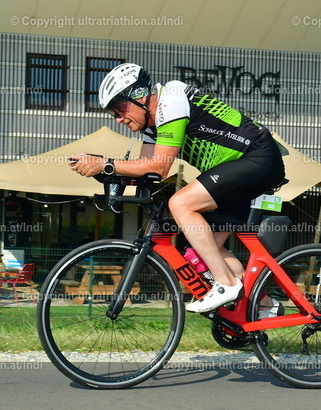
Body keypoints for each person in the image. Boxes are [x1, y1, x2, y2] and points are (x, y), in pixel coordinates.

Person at [70, 63, 286, 312]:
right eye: (112, 114)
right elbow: (146, 171)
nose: (118, 119)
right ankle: (264, 306)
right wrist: (106, 172)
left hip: (256, 156)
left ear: (139, 96)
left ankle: (226, 284)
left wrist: (105, 164)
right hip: (236, 170)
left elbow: (160, 166)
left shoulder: (171, 99)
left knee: (181, 203)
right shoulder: (152, 126)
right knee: (201, 247)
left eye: (119, 108)